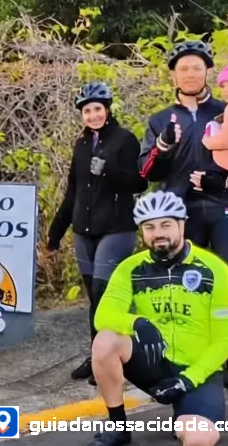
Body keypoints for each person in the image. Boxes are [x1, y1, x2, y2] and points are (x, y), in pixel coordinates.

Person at [138, 40, 228, 393]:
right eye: (184, 68)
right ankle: (188, 363)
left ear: (209, 71)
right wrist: (163, 146)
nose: (191, 73)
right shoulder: (161, 119)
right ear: (173, 76)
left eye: (197, 67)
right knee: (185, 288)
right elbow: (145, 172)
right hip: (182, 212)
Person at [86, 191, 228, 446]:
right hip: (153, 360)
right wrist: (138, 323)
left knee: (200, 438)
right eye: (150, 227)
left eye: (166, 225)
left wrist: (186, 380)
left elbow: (225, 341)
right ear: (142, 231)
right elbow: (103, 316)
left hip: (196, 369)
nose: (158, 233)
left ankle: (185, 416)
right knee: (105, 341)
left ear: (182, 224)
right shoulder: (130, 268)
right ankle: (117, 425)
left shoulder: (216, 271)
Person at [46, 82, 147, 384]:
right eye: (87, 111)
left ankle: (115, 357)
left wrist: (109, 170)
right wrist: (55, 233)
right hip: (83, 229)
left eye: (97, 109)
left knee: (105, 295)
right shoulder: (81, 145)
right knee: (94, 298)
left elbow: (138, 183)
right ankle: (97, 356)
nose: (92, 115)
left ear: (107, 109)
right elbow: (72, 192)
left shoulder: (124, 140)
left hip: (115, 228)